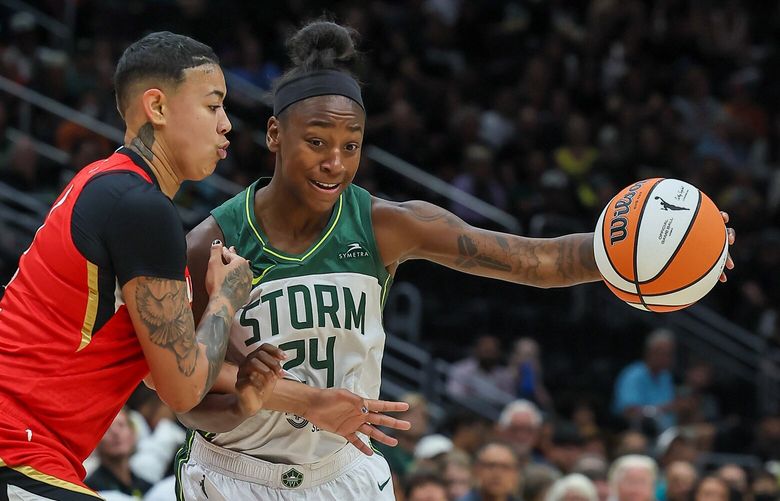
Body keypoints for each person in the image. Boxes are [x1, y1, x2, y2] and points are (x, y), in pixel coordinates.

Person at [176, 19, 736, 501]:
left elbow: (526, 259)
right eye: (317, 142)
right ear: (275, 133)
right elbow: (185, 394)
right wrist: (271, 400)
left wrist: (653, 253)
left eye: (352, 145)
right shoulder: (212, 242)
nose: (336, 162)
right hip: (235, 475)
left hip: (342, 471)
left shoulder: (383, 224)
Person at [0, 31, 266, 498]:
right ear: (158, 108)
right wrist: (226, 298)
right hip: (15, 445)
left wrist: (309, 401)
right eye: (213, 106)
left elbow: (156, 371)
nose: (227, 124)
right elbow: (183, 389)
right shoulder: (141, 208)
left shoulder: (109, 185)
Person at [84, 408, 152, 499]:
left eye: (121, 425)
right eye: (107, 427)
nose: (115, 433)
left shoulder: (146, 487)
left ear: (133, 434)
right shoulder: (90, 490)